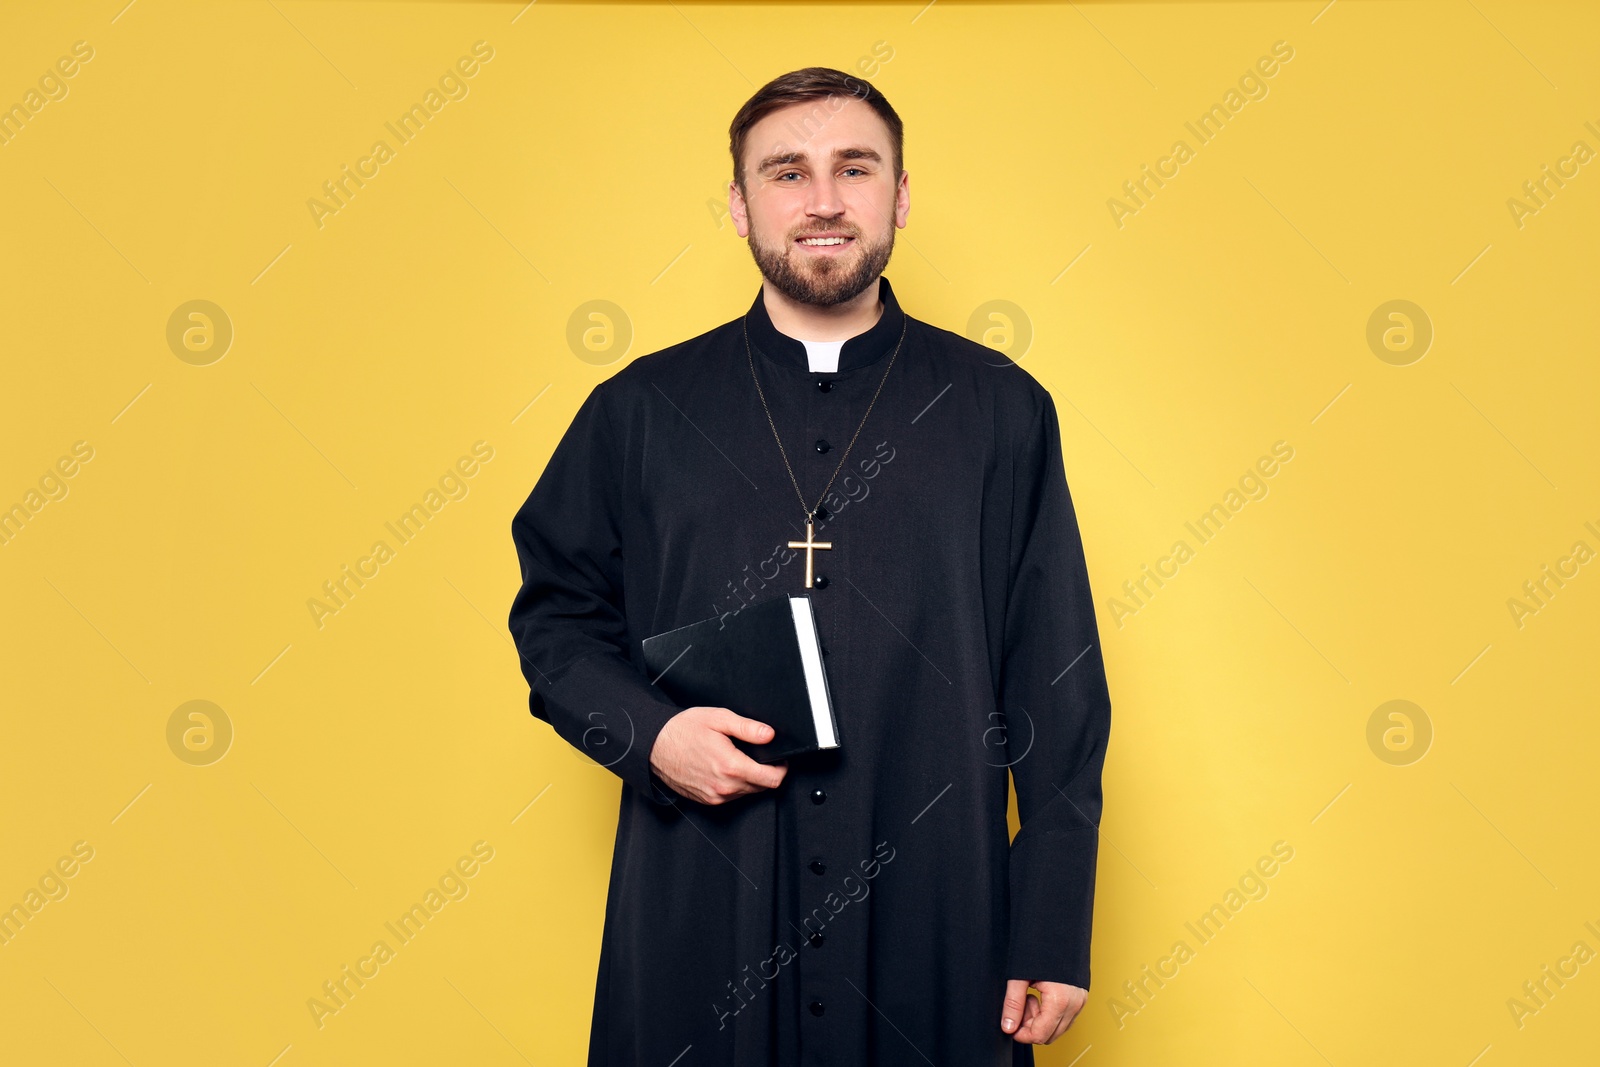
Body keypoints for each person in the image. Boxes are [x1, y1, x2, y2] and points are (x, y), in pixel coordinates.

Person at [508, 65, 1112, 1066]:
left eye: (854, 169)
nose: (822, 201)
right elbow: (556, 621)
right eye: (787, 173)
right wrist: (651, 736)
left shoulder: (998, 406)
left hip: (936, 902)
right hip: (703, 896)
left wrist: (1051, 920)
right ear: (740, 204)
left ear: (901, 196)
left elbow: (1055, 670)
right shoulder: (641, 409)